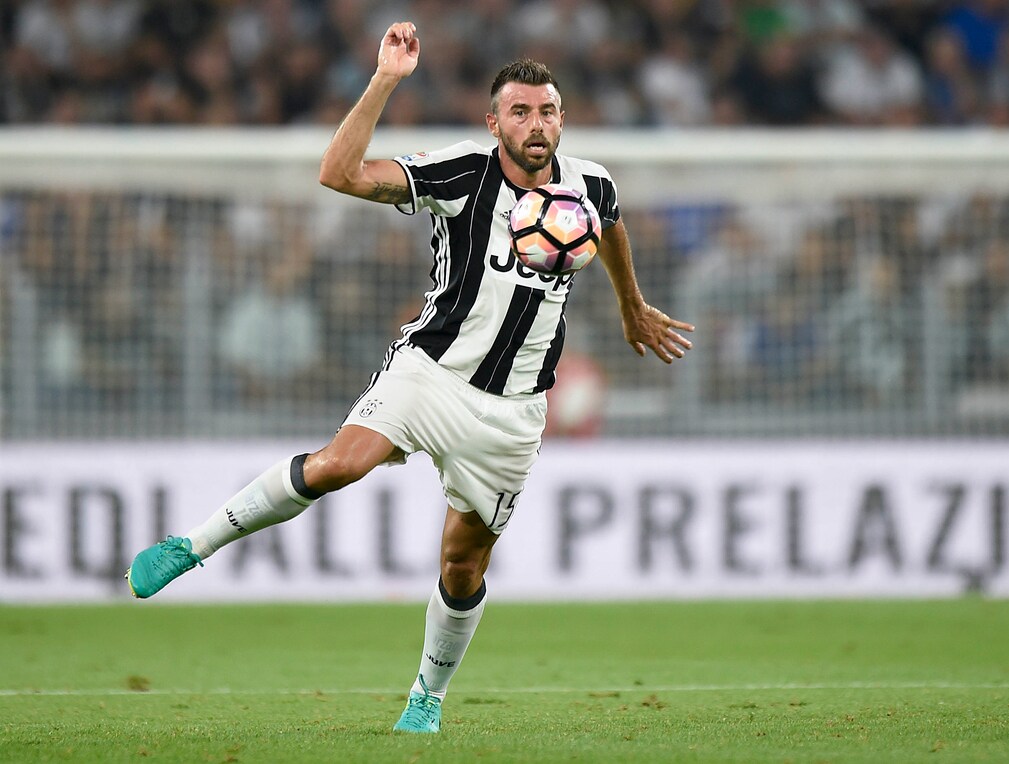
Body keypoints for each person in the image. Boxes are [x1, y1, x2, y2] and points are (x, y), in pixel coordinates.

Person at [123, 21, 693, 734]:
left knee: (462, 564)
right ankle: (193, 545)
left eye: (547, 110)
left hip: (515, 409)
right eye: (519, 111)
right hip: (431, 373)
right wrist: (385, 81)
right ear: (494, 123)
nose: (536, 123)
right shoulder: (462, 172)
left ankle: (427, 694)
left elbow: (610, 226)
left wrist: (632, 305)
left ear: (562, 119)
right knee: (338, 464)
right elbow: (338, 174)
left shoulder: (591, 184)